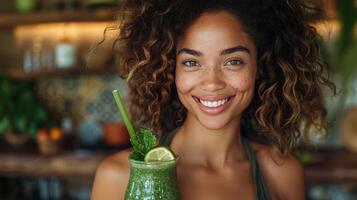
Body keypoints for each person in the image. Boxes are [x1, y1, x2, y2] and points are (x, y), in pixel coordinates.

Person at [91, 0, 335, 199]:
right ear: (171, 70)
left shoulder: (282, 173)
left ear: (259, 67)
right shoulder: (119, 177)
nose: (212, 83)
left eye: (233, 61)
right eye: (191, 62)